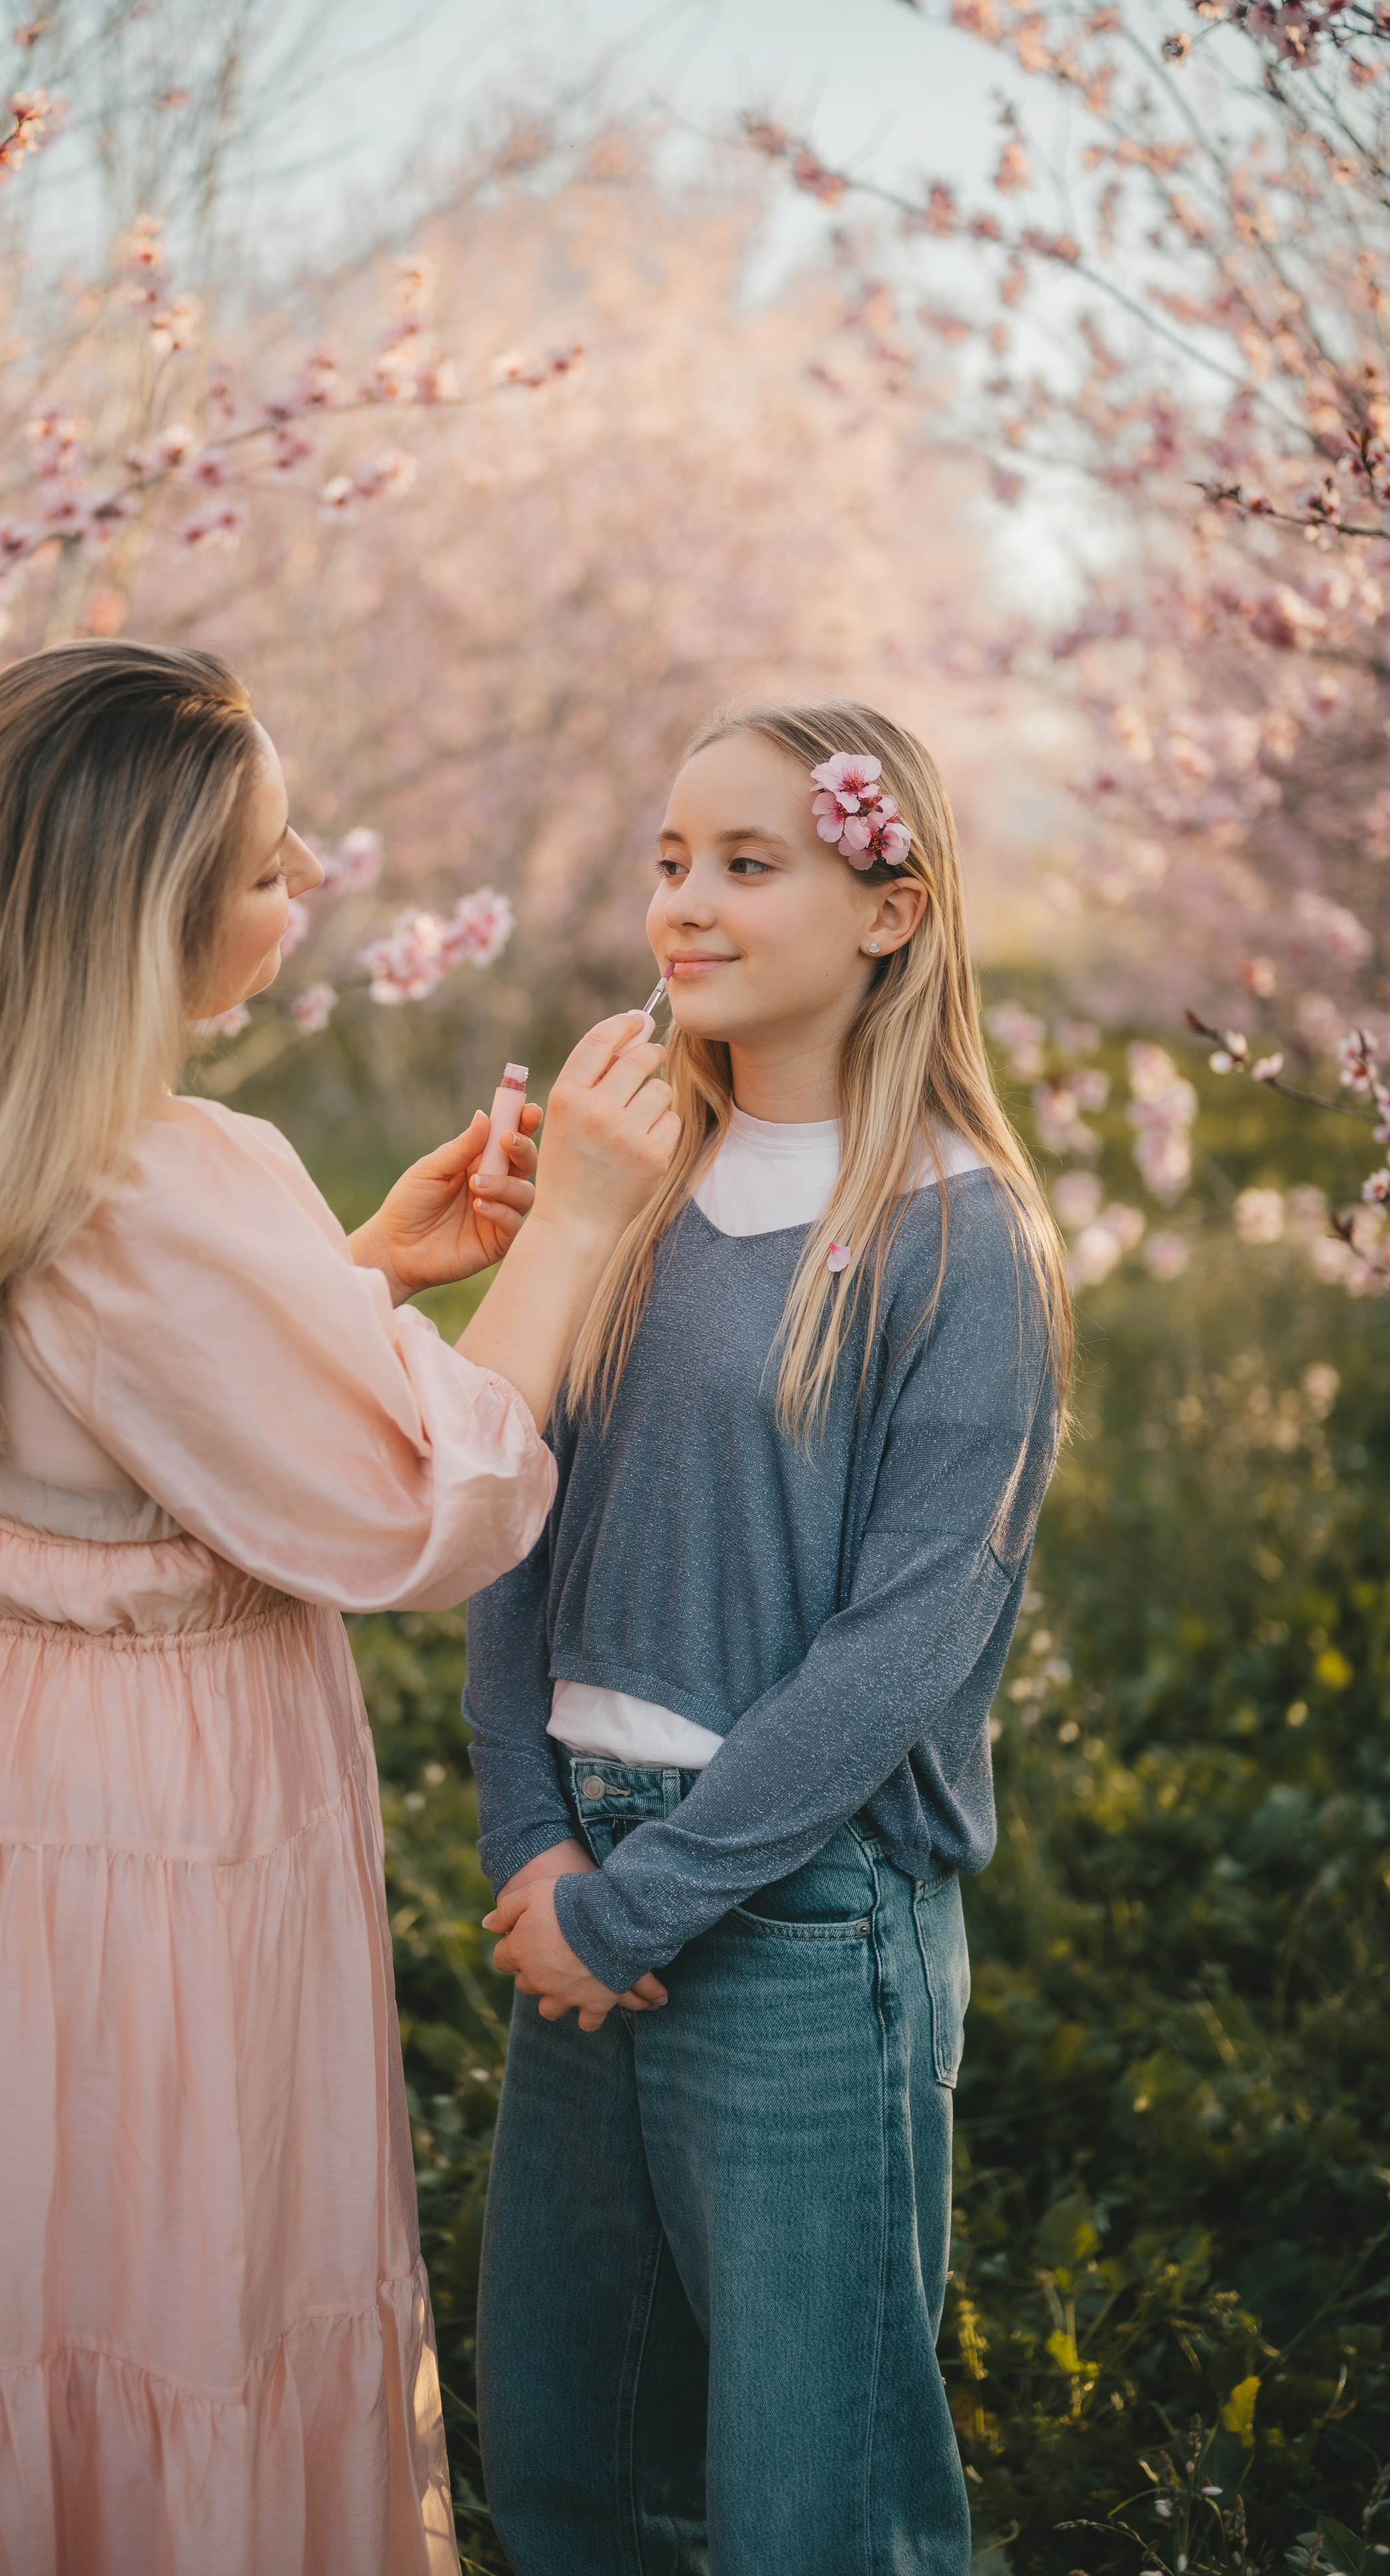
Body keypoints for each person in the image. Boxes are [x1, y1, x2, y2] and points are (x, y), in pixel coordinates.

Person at [0, 641, 678, 2576]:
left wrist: (357, 1280)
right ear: (137, 918)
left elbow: (131, 1426)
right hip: (167, 1826)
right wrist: (573, 1227)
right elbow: (420, 1510)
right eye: (261, 863)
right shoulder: (173, 1180)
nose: (305, 873)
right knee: (168, 2279)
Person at [465, 701, 1072, 2576]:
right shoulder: (623, 1181)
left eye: (748, 863)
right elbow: (506, 1507)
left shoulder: (959, 1238)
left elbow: (908, 1645)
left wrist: (643, 1908)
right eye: (670, 863)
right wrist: (534, 1840)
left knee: (814, 2505)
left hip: (804, 1918)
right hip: (579, 1875)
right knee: (573, 2466)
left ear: (891, 908)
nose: (687, 905)